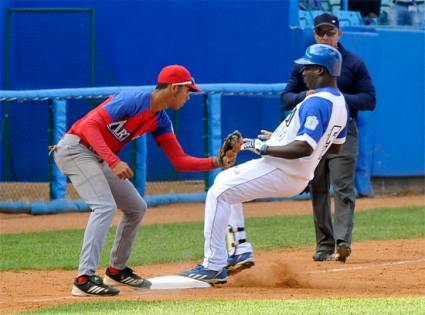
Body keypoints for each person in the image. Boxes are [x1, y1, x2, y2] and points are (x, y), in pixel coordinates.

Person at [53, 64, 234, 296]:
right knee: (104, 207)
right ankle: (83, 278)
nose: (189, 96)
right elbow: (89, 125)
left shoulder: (161, 120)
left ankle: (116, 270)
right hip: (74, 149)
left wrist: (216, 162)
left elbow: (180, 161)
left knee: (136, 207)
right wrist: (113, 161)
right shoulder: (133, 99)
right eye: (188, 90)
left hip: (97, 157)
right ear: (173, 88)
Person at [179, 44, 349, 284]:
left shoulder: (316, 102)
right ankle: (239, 247)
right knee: (224, 183)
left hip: (282, 170)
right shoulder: (340, 103)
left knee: (218, 194)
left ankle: (214, 265)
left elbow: (305, 147)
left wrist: (258, 146)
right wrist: (282, 138)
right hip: (292, 172)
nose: (302, 72)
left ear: (321, 70)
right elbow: (334, 147)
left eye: (308, 67)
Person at [282, 13, 376, 263]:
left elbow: (369, 99)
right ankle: (325, 245)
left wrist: (336, 98)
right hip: (313, 132)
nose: (325, 37)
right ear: (314, 34)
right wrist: (306, 95)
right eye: (320, 32)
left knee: (343, 185)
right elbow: (286, 98)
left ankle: (343, 241)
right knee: (318, 186)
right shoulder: (304, 64)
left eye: (329, 32)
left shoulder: (354, 63)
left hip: (343, 129)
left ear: (339, 35)